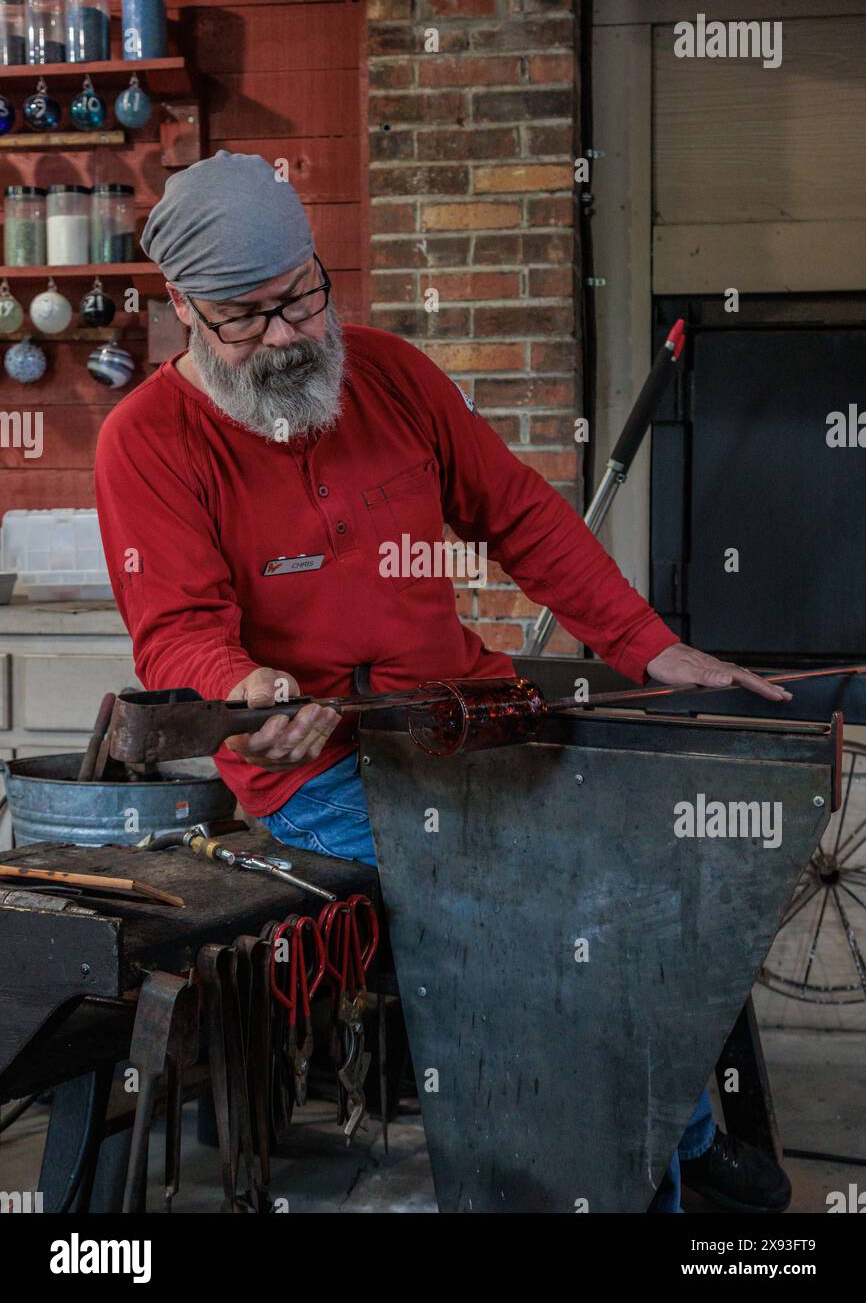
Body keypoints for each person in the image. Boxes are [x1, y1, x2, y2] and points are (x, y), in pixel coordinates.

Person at [94, 150, 792, 1213]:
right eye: (247, 318)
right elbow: (179, 633)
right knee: (547, 911)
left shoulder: (389, 374)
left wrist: (648, 645)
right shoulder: (145, 441)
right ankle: (657, 1167)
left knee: (653, 860)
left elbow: (519, 514)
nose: (287, 338)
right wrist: (245, 688)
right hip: (325, 773)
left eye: (301, 299)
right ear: (182, 306)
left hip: (478, 723)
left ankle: (679, 1132)